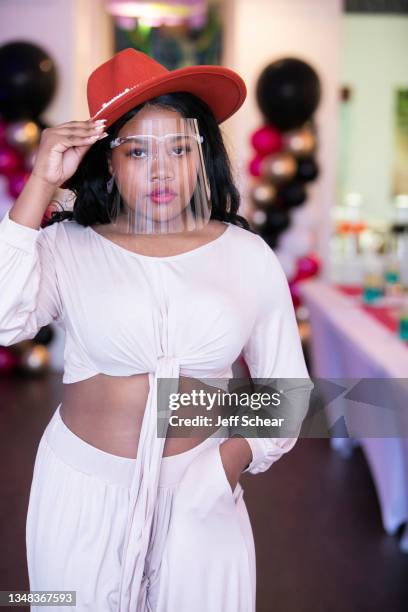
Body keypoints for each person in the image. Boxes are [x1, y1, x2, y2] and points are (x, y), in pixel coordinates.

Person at [0, 49, 311, 611]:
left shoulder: (248, 256)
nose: (162, 170)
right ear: (107, 162)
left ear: (203, 156)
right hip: (82, 494)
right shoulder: (67, 246)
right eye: (137, 150)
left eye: (180, 148)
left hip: (202, 497)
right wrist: (39, 188)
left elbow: (289, 394)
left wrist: (226, 464)